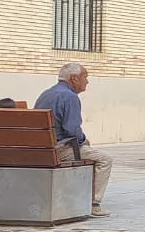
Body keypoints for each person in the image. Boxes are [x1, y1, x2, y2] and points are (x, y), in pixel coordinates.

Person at [35, 63, 115, 217]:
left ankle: (78, 197)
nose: (87, 81)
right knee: (104, 159)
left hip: (43, 148)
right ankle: (94, 203)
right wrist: (84, 140)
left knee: (88, 151)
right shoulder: (69, 97)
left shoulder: (46, 94)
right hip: (60, 149)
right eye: (85, 76)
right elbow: (72, 130)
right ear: (74, 79)